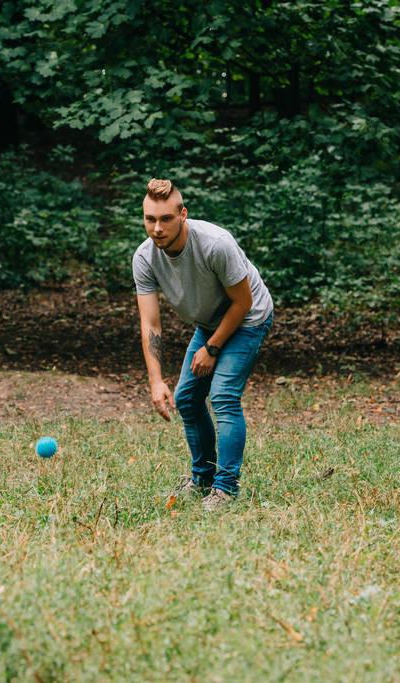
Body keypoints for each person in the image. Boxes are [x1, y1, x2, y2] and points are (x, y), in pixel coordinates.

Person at [132, 178, 274, 510]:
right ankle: (203, 479)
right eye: (150, 219)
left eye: (166, 218)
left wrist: (211, 349)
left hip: (249, 316)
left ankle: (226, 488)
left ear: (183, 214)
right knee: (187, 398)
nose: (157, 228)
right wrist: (155, 381)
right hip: (210, 321)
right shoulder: (145, 258)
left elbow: (242, 303)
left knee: (223, 395)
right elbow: (150, 324)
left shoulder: (215, 243)